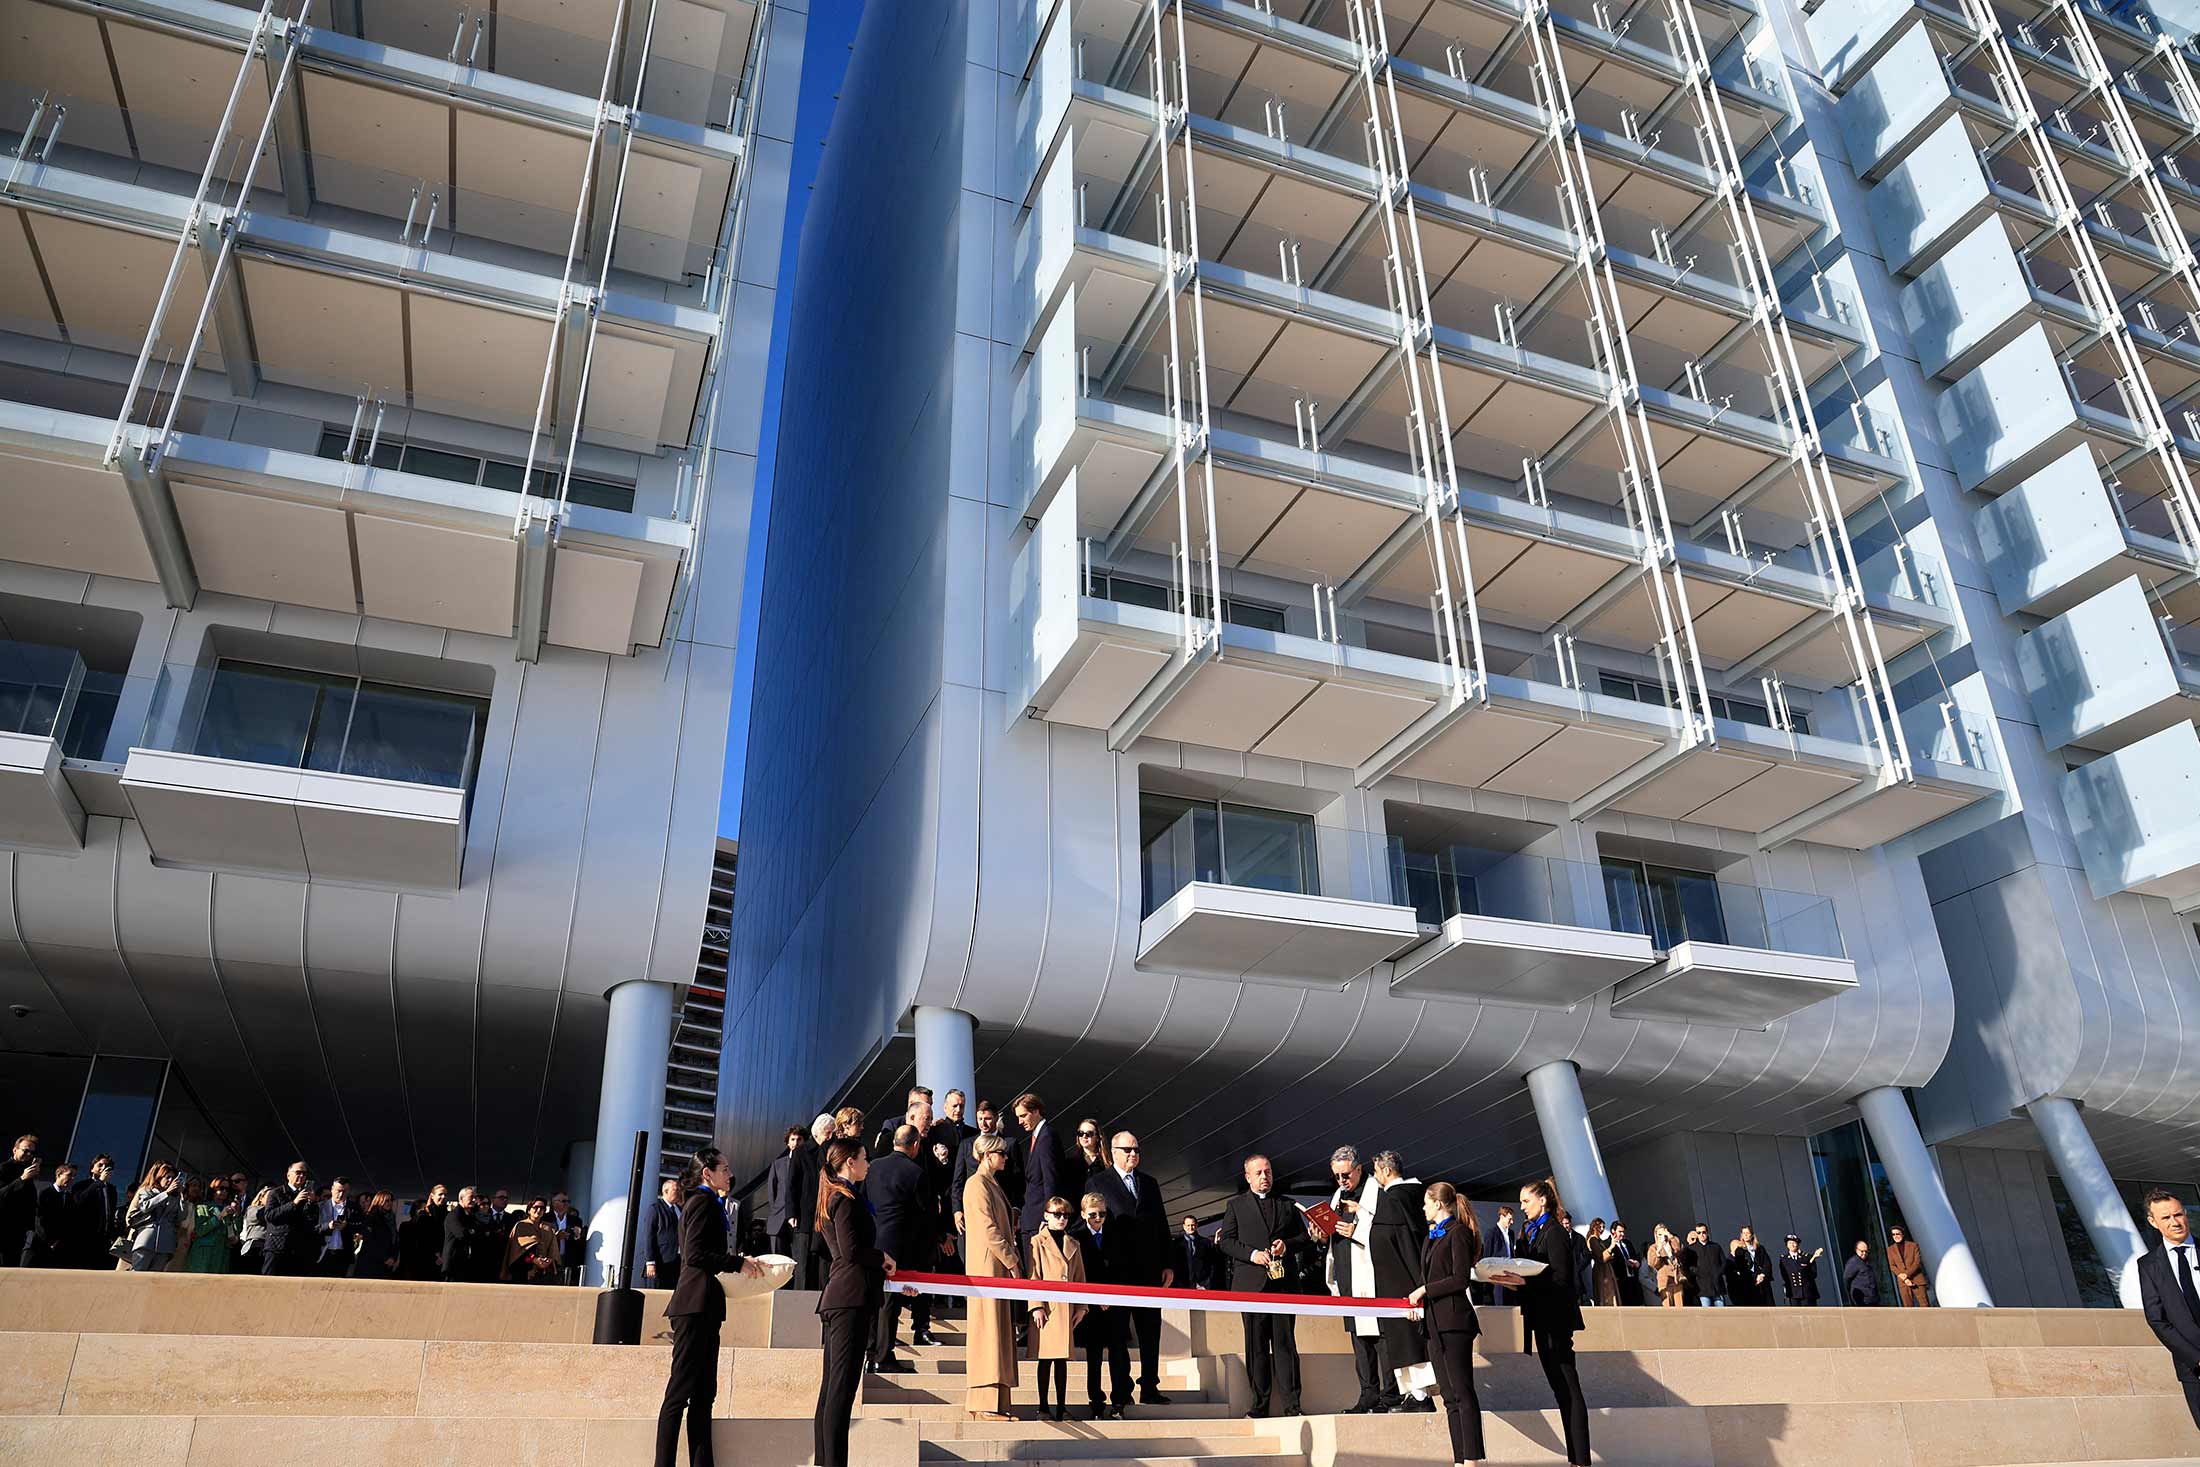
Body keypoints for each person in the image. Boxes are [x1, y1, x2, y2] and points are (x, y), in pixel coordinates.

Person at [656, 1147, 764, 1467]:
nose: (730, 1174)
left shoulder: (705, 1204)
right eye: (725, 1169)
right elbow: (696, 1255)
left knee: (704, 1395)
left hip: (705, 1307)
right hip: (693, 1306)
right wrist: (738, 1263)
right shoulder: (703, 1203)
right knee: (679, 1393)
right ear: (708, 1173)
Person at [1486, 1178, 1587, 1467]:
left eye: (1526, 1201)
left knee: (1568, 1388)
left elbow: (1560, 1278)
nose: (1521, 1207)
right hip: (1539, 1318)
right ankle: (1575, 1458)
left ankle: (1580, 1459)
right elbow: (1528, 1275)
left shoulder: (1553, 1231)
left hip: (1556, 1319)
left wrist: (1523, 1283)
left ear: (1542, 1200)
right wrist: (1512, 1282)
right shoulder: (1527, 1233)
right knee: (1560, 1389)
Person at [816, 1138, 892, 1467]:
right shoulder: (844, 1199)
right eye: (864, 1158)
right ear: (849, 1162)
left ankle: (825, 1459)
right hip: (850, 1299)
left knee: (833, 1387)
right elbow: (852, 1251)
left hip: (842, 1297)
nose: (868, 1163)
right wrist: (883, 1258)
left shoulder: (836, 1196)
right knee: (841, 1390)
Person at [1215, 1153, 1307, 1420]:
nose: (1264, 1176)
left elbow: (1303, 1237)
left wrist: (1287, 1245)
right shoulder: (1235, 1205)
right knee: (1255, 1346)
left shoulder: (1287, 1205)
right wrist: (1252, 1254)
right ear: (1248, 1177)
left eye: (1268, 1171)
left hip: (1283, 1286)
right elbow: (1226, 1241)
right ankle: (1259, 1405)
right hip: (1250, 1287)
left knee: (1285, 1345)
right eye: (1259, 1173)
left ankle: (1292, 1404)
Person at [1089, 1130, 1173, 1405]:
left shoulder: (1150, 1183)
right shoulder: (1098, 1182)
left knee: (1150, 1331)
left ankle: (1150, 1386)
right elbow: (1091, 1228)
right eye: (1128, 1150)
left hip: (1149, 1272)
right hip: (1118, 1272)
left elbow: (1162, 1225)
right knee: (1117, 1335)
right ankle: (1121, 1391)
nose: (1133, 1154)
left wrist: (1167, 1263)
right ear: (1113, 1152)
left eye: (1136, 1149)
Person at [1409, 1182, 1484, 1467]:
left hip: (1455, 1322)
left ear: (1439, 1204)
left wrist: (1425, 1290)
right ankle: (1460, 1459)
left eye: (1426, 1202)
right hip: (1433, 1324)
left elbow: (1459, 1278)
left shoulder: (1459, 1233)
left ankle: (1474, 1458)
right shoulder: (1430, 1238)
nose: (1423, 1207)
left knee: (1463, 1392)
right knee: (1449, 1396)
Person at [865, 1124, 938, 1372]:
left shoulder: (872, 1167)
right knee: (889, 1305)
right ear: (916, 1145)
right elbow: (925, 1217)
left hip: (872, 1242)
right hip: (900, 1246)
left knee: (874, 1302)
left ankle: (871, 1352)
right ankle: (883, 1357)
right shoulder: (916, 1173)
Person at [1324, 1146, 1389, 1412]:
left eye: (1345, 1175)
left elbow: (1384, 1230)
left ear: (1359, 1169)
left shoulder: (1376, 1191)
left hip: (1370, 1271)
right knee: (1358, 1338)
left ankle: (1391, 1394)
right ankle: (1368, 1394)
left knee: (1380, 1337)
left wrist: (1357, 1229)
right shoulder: (1338, 1194)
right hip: (1346, 1271)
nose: (1342, 1181)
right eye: (1337, 1176)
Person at [961, 1133, 1020, 1421]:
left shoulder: (991, 1183)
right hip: (987, 1268)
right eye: (1001, 1153)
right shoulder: (976, 1184)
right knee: (988, 1332)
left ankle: (995, 1402)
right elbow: (988, 1229)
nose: (1005, 1157)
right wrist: (1012, 1260)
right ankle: (983, 1403)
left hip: (995, 1268)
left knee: (997, 1332)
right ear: (987, 1155)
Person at [1368, 1150, 1433, 1412]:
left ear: (1386, 1171)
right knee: (1404, 1342)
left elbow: (1405, 1244)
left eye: (1375, 1171)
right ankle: (1414, 1395)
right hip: (1403, 1280)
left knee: (1408, 1342)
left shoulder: (1395, 1199)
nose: (1375, 1177)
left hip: (1402, 1284)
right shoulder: (1412, 1196)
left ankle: (1420, 1397)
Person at [2137, 1189, 2200, 1431]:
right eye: (2166, 1218)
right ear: (2153, 1222)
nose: (2175, 1222)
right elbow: (2157, 1320)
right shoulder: (2149, 1266)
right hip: (2192, 1367)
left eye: (2178, 1214)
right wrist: (2196, 1358)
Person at [1028, 1195, 1088, 1423]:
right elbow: (1033, 1275)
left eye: (1065, 1215)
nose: (1062, 1219)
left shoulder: (1073, 1243)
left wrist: (1081, 1307)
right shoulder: (1037, 1241)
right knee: (1045, 1358)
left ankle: (1062, 1408)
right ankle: (1043, 1406)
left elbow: (1080, 1278)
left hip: (1066, 1308)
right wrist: (1036, 1306)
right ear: (1046, 1215)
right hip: (1047, 1307)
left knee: (1061, 1359)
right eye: (1057, 1214)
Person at [1073, 1190, 1133, 1418]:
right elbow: (1079, 1273)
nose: (1097, 1218)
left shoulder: (1117, 1234)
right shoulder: (1076, 1237)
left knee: (1118, 1355)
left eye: (1102, 1214)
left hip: (1116, 1304)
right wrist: (1096, 1299)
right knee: (1094, 1358)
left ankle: (1119, 1402)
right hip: (1091, 1307)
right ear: (1083, 1214)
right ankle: (1096, 1403)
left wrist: (1112, 1296)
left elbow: (1123, 1268)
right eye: (1092, 1214)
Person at [1012, 1093, 1066, 1259]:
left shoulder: (1046, 1136)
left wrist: (1048, 1216)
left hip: (1039, 1221)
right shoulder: (1039, 1136)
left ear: (1036, 1111)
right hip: (1031, 1218)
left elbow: (1051, 1179)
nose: (1020, 1121)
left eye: (1023, 1115)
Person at [767, 1125, 820, 1290]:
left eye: (799, 1139)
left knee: (799, 1263)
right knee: (778, 1265)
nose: (796, 1142)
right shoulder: (778, 1164)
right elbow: (772, 1191)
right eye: (793, 1139)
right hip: (779, 1220)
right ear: (788, 1142)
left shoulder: (809, 1160)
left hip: (801, 1221)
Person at [262, 1161, 320, 1276]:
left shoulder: (306, 1194)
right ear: (288, 1175)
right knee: (270, 1283)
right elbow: (270, 1216)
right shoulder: (276, 1193)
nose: (302, 1176)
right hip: (277, 1246)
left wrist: (312, 1203)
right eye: (298, 1172)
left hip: (298, 1247)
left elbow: (313, 1219)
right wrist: (293, 1203)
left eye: (304, 1173)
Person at [121, 1161, 180, 1272]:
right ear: (159, 1177)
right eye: (167, 1177)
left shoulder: (175, 1197)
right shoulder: (147, 1191)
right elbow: (145, 1207)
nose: (171, 1181)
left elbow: (181, 1217)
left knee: (154, 1277)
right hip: (146, 1240)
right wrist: (166, 1193)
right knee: (138, 1272)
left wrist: (182, 1197)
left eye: (173, 1178)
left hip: (165, 1244)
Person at [71, 1155, 119, 1269]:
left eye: (107, 1166)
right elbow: (80, 1201)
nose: (103, 1168)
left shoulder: (111, 1189)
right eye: (100, 1165)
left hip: (104, 1239)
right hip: (86, 1237)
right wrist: (100, 1182)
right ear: (92, 1168)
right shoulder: (81, 1185)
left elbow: (110, 1213)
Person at [0, 1137, 41, 1265]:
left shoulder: (27, 1170)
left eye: (32, 1152)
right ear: (15, 1150)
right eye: (26, 1150)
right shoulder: (3, 1168)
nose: (29, 1154)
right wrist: (22, 1179)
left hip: (19, 1231)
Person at [504, 1197, 562, 1283]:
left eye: (542, 1208)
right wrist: (534, 1259)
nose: (539, 1210)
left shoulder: (548, 1228)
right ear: (529, 1210)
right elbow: (517, 1250)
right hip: (524, 1270)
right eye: (535, 1207)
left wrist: (548, 1260)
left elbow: (553, 1249)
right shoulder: (521, 1226)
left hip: (544, 1273)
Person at [28, 1161, 76, 1267]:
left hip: (57, 1247)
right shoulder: (44, 1192)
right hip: (38, 1244)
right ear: (59, 1175)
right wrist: (49, 1241)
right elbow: (39, 1219)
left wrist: (59, 1242)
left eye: (74, 1176)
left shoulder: (68, 1197)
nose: (72, 1178)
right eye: (69, 1175)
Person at [641, 1177, 685, 1291]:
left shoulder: (679, 1210)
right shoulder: (655, 1209)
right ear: (666, 1191)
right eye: (676, 1190)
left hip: (676, 1262)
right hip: (661, 1262)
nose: (679, 1192)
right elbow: (648, 1236)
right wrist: (650, 1262)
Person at [187, 1178, 239, 1273]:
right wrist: (220, 1216)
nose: (224, 1191)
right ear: (213, 1189)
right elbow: (201, 1230)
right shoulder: (202, 1206)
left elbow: (235, 1232)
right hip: (204, 1255)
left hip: (222, 1255)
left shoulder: (230, 1210)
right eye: (221, 1188)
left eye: (227, 1189)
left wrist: (238, 1214)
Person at [442, 1185, 492, 1282]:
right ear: (461, 1199)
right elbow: (462, 1235)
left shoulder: (470, 1216)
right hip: (454, 1265)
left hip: (467, 1265)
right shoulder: (454, 1215)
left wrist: (474, 1232)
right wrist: (473, 1232)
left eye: (475, 1198)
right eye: (471, 1197)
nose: (474, 1200)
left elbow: (481, 1234)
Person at [349, 1191, 399, 1278]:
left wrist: (393, 1257)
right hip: (370, 1263)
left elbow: (394, 1240)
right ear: (379, 1201)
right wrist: (385, 1258)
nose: (389, 1203)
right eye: (386, 1200)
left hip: (386, 1264)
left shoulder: (391, 1219)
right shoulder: (371, 1217)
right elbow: (369, 1241)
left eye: (391, 1200)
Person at [1481, 1205, 1517, 1307]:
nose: (1512, 1222)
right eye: (1509, 1219)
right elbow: (1487, 1256)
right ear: (1502, 1216)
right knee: (1499, 1304)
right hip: (1497, 1275)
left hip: (1510, 1273)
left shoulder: (1511, 1233)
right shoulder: (1491, 1233)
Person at [546, 1191, 585, 1285]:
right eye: (563, 1201)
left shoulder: (576, 1220)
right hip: (550, 1260)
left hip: (568, 1261)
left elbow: (580, 1243)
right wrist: (556, 1237)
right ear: (554, 1202)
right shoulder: (545, 1218)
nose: (566, 1204)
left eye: (568, 1201)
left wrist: (577, 1236)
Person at [1729, 1227, 1773, 1307]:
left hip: (1761, 1280)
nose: (1745, 1235)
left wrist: (1762, 1275)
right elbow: (1740, 1266)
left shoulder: (1760, 1248)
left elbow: (1767, 1263)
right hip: (1749, 1282)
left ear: (1752, 1235)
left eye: (1748, 1233)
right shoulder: (1739, 1250)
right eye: (1743, 1233)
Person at [1888, 1225, 1929, 1307]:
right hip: (1903, 1282)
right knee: (1908, 1308)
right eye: (1893, 1234)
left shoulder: (1914, 1246)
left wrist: (1906, 1275)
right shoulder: (1890, 1249)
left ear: (1902, 1234)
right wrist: (1904, 1278)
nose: (1896, 1236)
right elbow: (1892, 1266)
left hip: (1917, 1280)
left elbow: (1917, 1263)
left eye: (1898, 1234)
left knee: (1925, 1306)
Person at [1778, 1235, 1823, 1306]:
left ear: (1798, 1244)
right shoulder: (1784, 1259)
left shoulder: (1807, 1257)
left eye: (1794, 1243)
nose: (1792, 1245)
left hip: (1807, 1292)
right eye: (1789, 1243)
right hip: (1793, 1293)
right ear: (1786, 1245)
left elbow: (1813, 1274)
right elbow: (1784, 1276)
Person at [1604, 1222, 1641, 1306]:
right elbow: (1608, 1263)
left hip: (1633, 1281)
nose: (1622, 1234)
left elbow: (1635, 1256)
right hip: (1620, 1282)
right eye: (1620, 1232)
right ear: (1613, 1231)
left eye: (1623, 1232)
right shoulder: (1607, 1244)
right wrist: (1624, 1263)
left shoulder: (1627, 1243)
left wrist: (1636, 1263)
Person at [1690, 1225, 1727, 1306]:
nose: (1701, 1234)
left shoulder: (1716, 1246)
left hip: (1717, 1286)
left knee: (1721, 1313)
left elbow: (1724, 1262)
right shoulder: (1692, 1249)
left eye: (1703, 1232)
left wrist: (1719, 1272)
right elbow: (1689, 1266)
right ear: (1696, 1234)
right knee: (1707, 1313)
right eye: (1699, 1233)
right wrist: (1698, 1272)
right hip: (1702, 1287)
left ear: (1707, 1232)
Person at [1648, 1224, 1684, 1307]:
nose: (1662, 1237)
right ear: (1656, 1235)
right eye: (1659, 1235)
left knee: (1680, 1305)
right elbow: (1653, 1264)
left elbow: (1678, 1249)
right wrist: (1658, 1252)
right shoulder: (1653, 1247)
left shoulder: (1672, 1242)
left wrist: (1670, 1236)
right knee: (1667, 1306)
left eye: (1663, 1234)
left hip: (1676, 1279)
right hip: (1664, 1281)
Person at [1177, 1215, 1216, 1290]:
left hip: (1202, 1284)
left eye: (1193, 1225)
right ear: (1184, 1226)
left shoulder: (1206, 1242)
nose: (1190, 1228)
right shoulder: (1177, 1244)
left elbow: (1211, 1263)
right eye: (1188, 1225)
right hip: (1182, 1284)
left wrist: (1208, 1282)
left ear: (1196, 1225)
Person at [1071, 1121, 1107, 1192]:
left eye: (1089, 1133)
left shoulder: (1106, 1163)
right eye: (1080, 1133)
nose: (1084, 1136)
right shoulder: (1071, 1163)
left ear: (1097, 1137)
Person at [1585, 1219, 1614, 1306]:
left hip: (1604, 1269)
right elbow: (1600, 1258)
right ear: (1594, 1227)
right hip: (1601, 1271)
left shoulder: (1598, 1239)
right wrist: (1611, 1248)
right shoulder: (1593, 1239)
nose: (1602, 1229)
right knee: (1605, 1295)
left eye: (1603, 1227)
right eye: (1600, 1227)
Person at [1842, 1240, 1879, 1306]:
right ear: (1856, 1250)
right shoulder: (1853, 1262)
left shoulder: (1867, 1261)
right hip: (1862, 1300)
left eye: (1866, 1251)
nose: (1864, 1253)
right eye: (1862, 1251)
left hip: (1872, 1299)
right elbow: (1846, 1279)